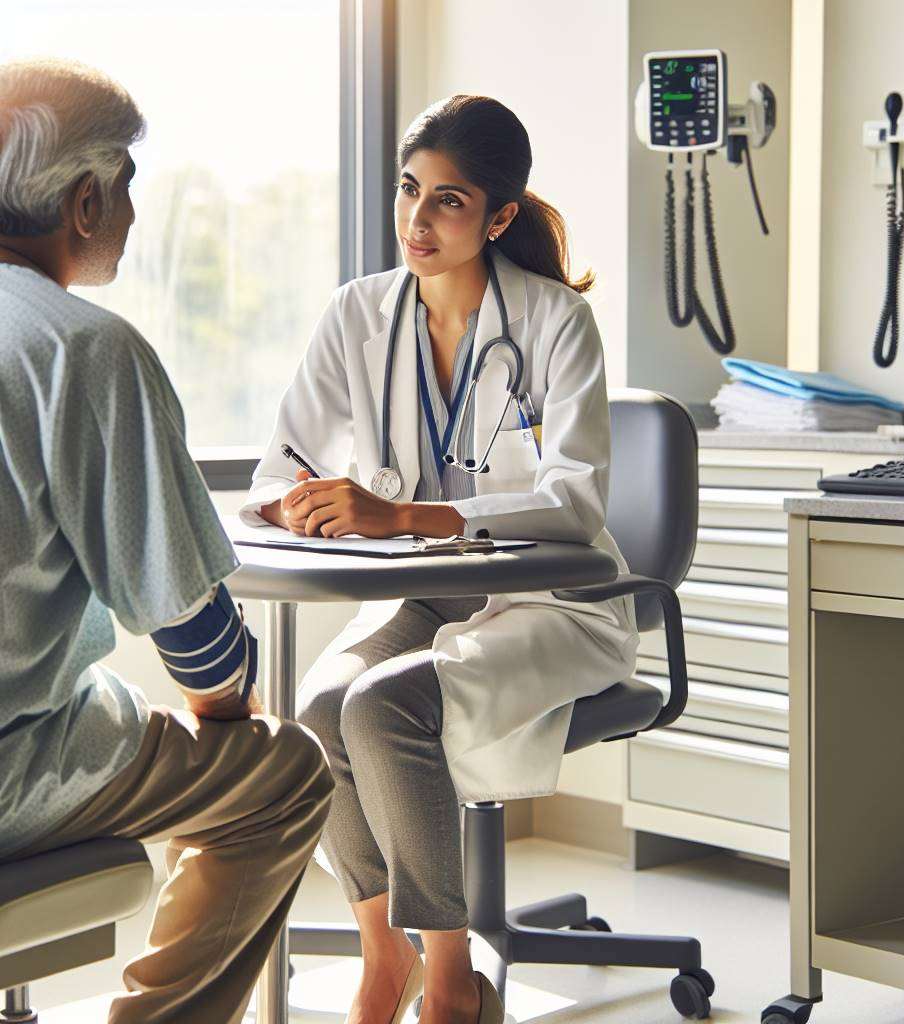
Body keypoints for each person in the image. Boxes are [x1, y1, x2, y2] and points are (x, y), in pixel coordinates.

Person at [241, 94, 639, 1024]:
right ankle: (387, 955)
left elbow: (575, 502)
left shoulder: (553, 323)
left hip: (551, 598)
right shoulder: (359, 313)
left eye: (449, 201)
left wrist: (405, 515)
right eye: (408, 191)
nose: (417, 222)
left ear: (499, 216)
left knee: (383, 706)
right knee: (316, 711)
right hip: (427, 595)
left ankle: (452, 975)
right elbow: (278, 465)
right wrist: (303, 502)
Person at [0, 59, 334, 1024]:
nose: (136, 212)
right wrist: (239, 709)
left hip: (46, 712)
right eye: (130, 186)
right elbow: (192, 634)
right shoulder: (82, 349)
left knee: (100, 692)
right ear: (86, 198)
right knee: (282, 772)